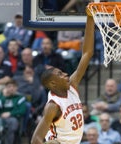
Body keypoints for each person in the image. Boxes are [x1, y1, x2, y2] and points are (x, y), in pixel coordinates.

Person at [31, 15, 94, 144]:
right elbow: (35, 140)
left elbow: (87, 54)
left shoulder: (72, 86)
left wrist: (90, 18)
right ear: (53, 83)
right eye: (60, 74)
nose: (65, 74)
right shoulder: (53, 106)